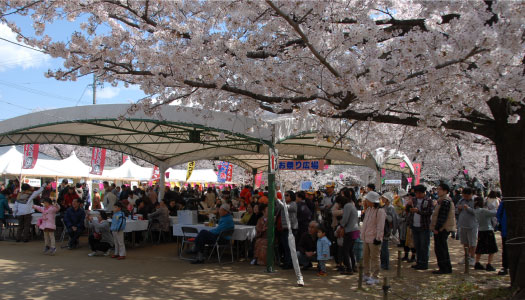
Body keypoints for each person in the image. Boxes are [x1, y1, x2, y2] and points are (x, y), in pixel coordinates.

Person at [429, 183, 456, 274]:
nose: (438, 191)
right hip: (442, 228)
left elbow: (442, 216)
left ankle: (444, 268)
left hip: (442, 229)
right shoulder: (442, 200)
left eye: (440, 189)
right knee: (441, 248)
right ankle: (445, 267)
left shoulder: (445, 201)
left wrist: (437, 228)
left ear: (445, 191)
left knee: (441, 249)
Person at [361, 191, 386, 285]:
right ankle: (366, 274)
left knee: (375, 258)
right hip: (366, 237)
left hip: (374, 238)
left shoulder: (380, 211)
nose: (366, 201)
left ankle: (375, 276)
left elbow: (380, 226)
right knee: (365, 257)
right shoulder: (368, 210)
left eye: (367, 199)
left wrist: (378, 238)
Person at [410, 185, 434, 270]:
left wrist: (418, 211)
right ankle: (418, 262)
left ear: (424, 192)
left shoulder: (428, 201)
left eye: (419, 193)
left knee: (424, 245)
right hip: (415, 225)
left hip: (424, 226)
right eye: (416, 193)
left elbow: (429, 212)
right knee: (417, 245)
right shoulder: (414, 200)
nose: (417, 195)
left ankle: (424, 263)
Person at [473, 196, 498, 271]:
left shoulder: (475, 210)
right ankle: (489, 264)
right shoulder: (483, 211)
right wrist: (492, 208)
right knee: (492, 248)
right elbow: (494, 213)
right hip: (488, 230)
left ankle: (477, 262)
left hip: (480, 230)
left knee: (480, 247)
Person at [457, 188, 477, 266]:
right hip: (462, 224)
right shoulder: (461, 200)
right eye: (464, 195)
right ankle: (466, 257)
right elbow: (456, 210)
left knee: (472, 242)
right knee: (465, 242)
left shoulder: (475, 201)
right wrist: (459, 208)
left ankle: (472, 257)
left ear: (471, 194)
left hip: (472, 225)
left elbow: (477, 212)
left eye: (467, 196)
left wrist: (468, 208)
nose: (465, 197)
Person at [277, 191, 298, 269]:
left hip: (292, 228)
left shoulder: (293, 204)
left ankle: (289, 263)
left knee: (290, 247)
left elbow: (286, 207)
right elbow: (278, 207)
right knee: (286, 247)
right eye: (284, 195)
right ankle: (287, 262)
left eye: (287, 195)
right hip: (285, 228)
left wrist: (278, 200)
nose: (285, 196)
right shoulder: (283, 203)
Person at [340, 191, 359, 275]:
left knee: (345, 250)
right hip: (355, 229)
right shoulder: (352, 205)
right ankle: (353, 266)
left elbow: (345, 219)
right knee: (351, 250)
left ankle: (349, 268)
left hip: (350, 230)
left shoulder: (347, 206)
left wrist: (341, 226)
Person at [380, 192, 398, 270]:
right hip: (382, 228)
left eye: (383, 198)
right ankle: (382, 263)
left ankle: (386, 264)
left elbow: (392, 219)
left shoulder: (391, 208)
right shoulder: (383, 206)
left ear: (387, 199)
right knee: (382, 248)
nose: (382, 199)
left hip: (387, 229)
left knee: (384, 248)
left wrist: (385, 216)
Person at [496, 201, 508, 275]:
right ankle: (505, 266)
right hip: (505, 230)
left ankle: (505, 267)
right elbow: (498, 215)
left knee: (505, 249)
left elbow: (498, 214)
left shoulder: (504, 202)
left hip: (505, 229)